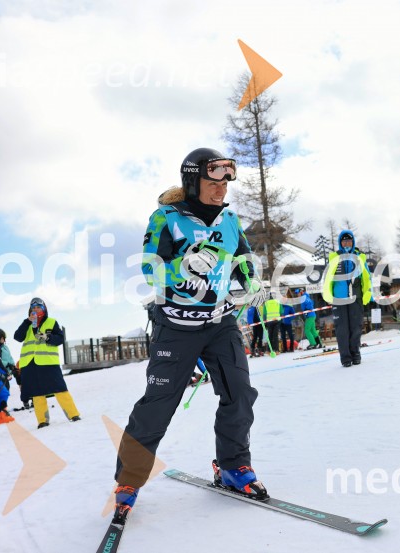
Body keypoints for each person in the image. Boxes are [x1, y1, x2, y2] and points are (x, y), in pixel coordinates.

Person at [113, 147, 270, 523]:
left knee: (239, 393)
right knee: (159, 403)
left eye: (225, 182)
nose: (221, 190)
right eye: (213, 182)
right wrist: (181, 265)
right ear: (193, 181)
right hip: (176, 326)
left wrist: (252, 281)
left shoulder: (230, 220)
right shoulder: (166, 218)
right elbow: (151, 270)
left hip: (220, 323)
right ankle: (129, 480)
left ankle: (233, 466)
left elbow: (242, 259)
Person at [13, 297, 81, 428]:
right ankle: (42, 421)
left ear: (43, 309)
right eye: (33, 308)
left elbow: (60, 339)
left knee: (60, 389)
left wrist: (47, 337)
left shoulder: (51, 322)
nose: (36, 310)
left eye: (38, 307)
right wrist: (27, 322)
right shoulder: (26, 324)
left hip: (48, 362)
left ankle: (73, 415)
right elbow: (17, 337)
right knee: (37, 393)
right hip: (30, 363)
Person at [322, 230, 372, 367]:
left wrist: (368, 293)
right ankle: (345, 358)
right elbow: (327, 278)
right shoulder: (334, 257)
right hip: (339, 298)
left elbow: (367, 277)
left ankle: (355, 354)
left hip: (356, 297)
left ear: (353, 242)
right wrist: (327, 294)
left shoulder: (360, 257)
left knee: (356, 327)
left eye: (349, 241)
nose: (346, 244)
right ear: (340, 243)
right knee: (342, 329)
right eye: (344, 241)